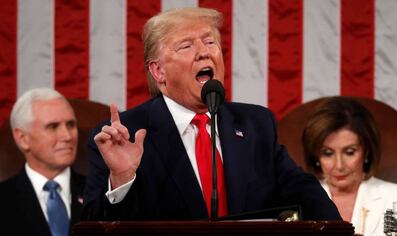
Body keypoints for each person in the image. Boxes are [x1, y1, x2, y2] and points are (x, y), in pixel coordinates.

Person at [82, 7, 341, 221]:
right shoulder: (124, 135)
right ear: (158, 71)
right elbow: (93, 226)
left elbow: (303, 192)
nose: (204, 51)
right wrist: (122, 179)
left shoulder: (255, 124)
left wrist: (337, 230)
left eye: (209, 41)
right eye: (186, 46)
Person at [302, 96, 397, 235]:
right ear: (316, 156)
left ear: (366, 151)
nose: (339, 165)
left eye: (349, 152)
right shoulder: (300, 202)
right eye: (328, 153)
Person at [0, 88, 85, 236]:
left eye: (71, 125)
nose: (67, 136)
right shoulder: (3, 199)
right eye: (53, 127)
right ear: (23, 139)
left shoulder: (101, 194)